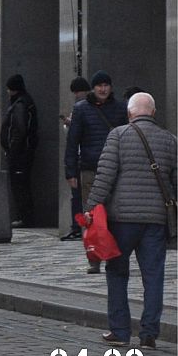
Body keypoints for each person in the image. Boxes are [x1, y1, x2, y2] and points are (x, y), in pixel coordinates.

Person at [83, 93, 175, 349]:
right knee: (154, 276)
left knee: (117, 272)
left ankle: (120, 331)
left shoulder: (119, 136)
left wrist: (91, 208)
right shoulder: (170, 140)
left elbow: (104, 176)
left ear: (129, 113)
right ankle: (148, 334)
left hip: (121, 219)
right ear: (153, 113)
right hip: (156, 220)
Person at [65, 70, 128, 272]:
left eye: (106, 85)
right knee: (91, 215)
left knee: (115, 216)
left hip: (117, 170)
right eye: (99, 85)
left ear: (110, 87)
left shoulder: (120, 109)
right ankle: (94, 258)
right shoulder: (81, 109)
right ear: (93, 88)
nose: (102, 89)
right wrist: (71, 172)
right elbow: (72, 142)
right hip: (90, 169)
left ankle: (113, 256)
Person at [0, 74, 39, 227]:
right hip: (23, 151)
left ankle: (25, 217)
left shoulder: (21, 104)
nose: (7, 92)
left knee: (20, 185)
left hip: (20, 152)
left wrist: (12, 150)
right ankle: (24, 216)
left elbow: (19, 130)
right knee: (21, 185)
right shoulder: (22, 102)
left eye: (9, 88)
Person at [61, 77, 91, 240]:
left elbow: (76, 135)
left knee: (79, 196)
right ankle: (78, 226)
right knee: (78, 195)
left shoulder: (84, 108)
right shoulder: (80, 108)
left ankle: (79, 227)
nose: (76, 95)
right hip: (82, 156)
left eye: (77, 92)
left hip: (85, 156)